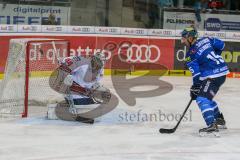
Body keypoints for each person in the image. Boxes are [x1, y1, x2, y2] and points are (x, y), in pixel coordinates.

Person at [181, 26, 229, 135]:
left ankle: (211, 124)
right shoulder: (206, 39)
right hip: (222, 72)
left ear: (190, 38)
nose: (183, 41)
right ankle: (219, 120)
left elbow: (196, 73)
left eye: (184, 38)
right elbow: (222, 45)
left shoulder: (190, 55)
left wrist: (196, 87)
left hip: (212, 75)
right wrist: (215, 57)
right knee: (207, 97)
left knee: (201, 99)